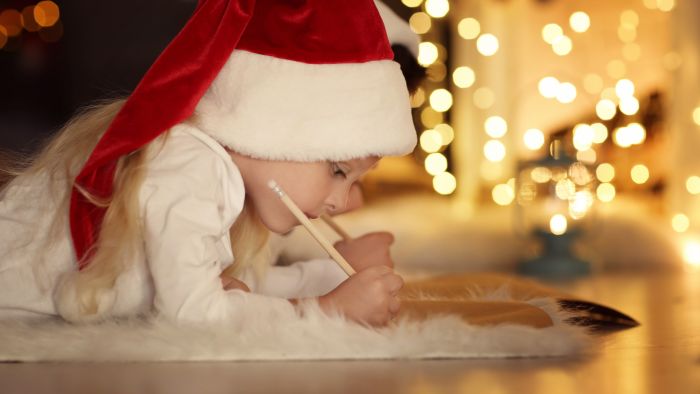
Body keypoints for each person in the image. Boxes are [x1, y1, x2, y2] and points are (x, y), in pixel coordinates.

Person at [0, 0, 417, 327]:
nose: (341, 202)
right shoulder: (190, 165)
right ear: (275, 123)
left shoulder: (220, 173)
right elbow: (192, 314)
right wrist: (325, 309)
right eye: (338, 171)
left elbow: (232, 286)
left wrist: (331, 278)